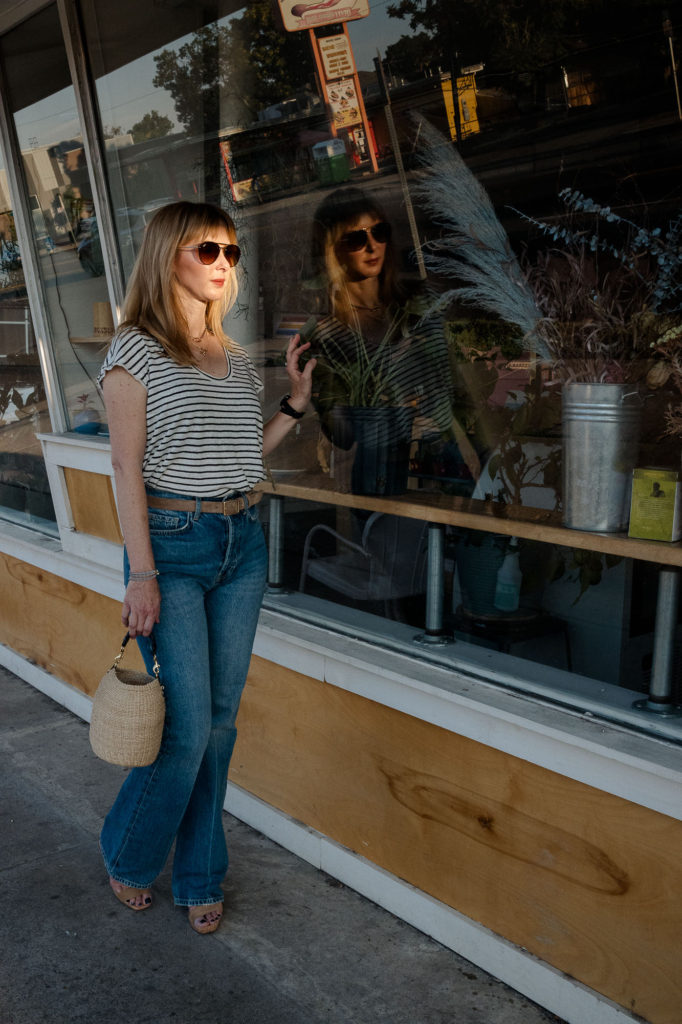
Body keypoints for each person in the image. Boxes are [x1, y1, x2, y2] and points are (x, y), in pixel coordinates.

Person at [97, 200, 315, 934]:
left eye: (230, 249)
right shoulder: (134, 351)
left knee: (220, 724)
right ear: (168, 257)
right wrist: (143, 574)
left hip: (241, 541)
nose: (224, 262)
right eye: (206, 250)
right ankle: (128, 853)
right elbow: (125, 467)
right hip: (171, 545)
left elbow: (243, 453)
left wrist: (295, 403)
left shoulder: (231, 354)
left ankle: (198, 874)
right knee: (187, 729)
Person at [306, 187, 480, 482]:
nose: (373, 247)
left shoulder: (420, 301)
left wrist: (481, 451)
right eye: (356, 239)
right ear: (332, 248)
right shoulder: (323, 334)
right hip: (381, 473)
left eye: (379, 232)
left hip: (445, 464)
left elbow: (457, 386)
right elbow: (342, 434)